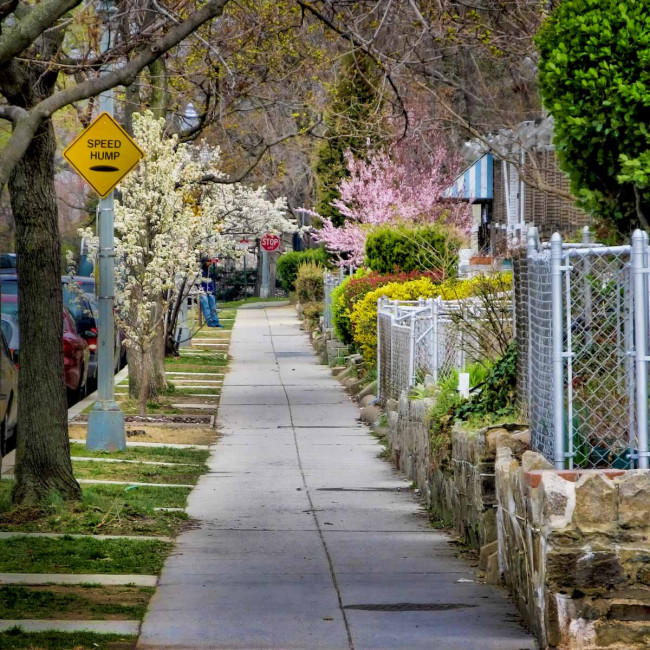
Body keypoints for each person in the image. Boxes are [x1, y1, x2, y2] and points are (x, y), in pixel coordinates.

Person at [199, 257, 224, 328]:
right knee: (206, 306)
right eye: (208, 262)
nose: (209, 263)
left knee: (213, 307)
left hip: (210, 291)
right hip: (202, 291)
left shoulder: (209, 272)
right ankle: (209, 321)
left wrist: (212, 290)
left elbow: (211, 281)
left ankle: (216, 321)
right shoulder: (200, 272)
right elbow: (197, 282)